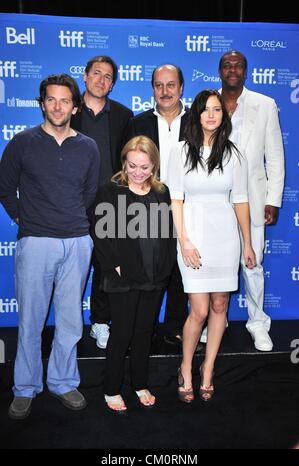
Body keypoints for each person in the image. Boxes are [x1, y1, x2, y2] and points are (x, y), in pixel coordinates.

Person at [0, 74, 100, 419]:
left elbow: (89, 195)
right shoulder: (22, 142)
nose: (58, 106)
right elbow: (5, 187)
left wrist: (74, 225)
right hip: (36, 242)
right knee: (31, 319)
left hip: (76, 241)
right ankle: (25, 387)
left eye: (64, 100)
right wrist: (26, 221)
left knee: (71, 319)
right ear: (42, 103)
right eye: (51, 100)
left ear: (74, 106)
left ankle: (62, 381)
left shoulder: (88, 146)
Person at [167, 89, 256, 403]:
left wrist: (247, 244)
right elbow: (175, 200)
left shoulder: (235, 153)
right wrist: (185, 240)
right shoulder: (180, 152)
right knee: (199, 310)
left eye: (217, 109)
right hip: (193, 234)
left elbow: (241, 200)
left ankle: (207, 369)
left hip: (225, 238)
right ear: (196, 114)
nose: (211, 115)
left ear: (224, 115)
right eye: (205, 109)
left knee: (220, 306)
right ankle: (186, 367)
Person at [200, 50, 285, 351]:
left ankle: (258, 323)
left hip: (252, 198)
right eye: (227, 65)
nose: (232, 69)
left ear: (246, 71)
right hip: (213, 201)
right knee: (212, 264)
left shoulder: (265, 105)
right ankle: (213, 323)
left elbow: (274, 156)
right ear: (219, 70)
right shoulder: (208, 105)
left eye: (238, 65)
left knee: (252, 263)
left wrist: (273, 200)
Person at [91, 136, 176, 414]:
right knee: (122, 333)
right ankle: (111, 389)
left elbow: (166, 235)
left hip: (154, 277)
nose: (138, 173)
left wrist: (165, 269)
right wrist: (115, 266)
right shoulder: (110, 190)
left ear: (154, 166)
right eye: (132, 166)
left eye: (145, 167)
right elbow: (101, 235)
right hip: (122, 277)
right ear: (124, 163)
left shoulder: (162, 192)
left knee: (144, 333)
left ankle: (140, 384)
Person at [71, 55, 133, 349]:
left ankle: (99, 322)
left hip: (110, 204)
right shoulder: (67, 111)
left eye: (108, 77)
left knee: (105, 266)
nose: (101, 80)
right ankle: (68, 326)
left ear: (113, 83)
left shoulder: (123, 115)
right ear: (84, 76)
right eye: (96, 74)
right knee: (71, 267)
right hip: (71, 203)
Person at [126, 64, 189, 346]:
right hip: (147, 205)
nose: (165, 91)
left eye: (170, 85)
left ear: (181, 87)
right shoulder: (137, 123)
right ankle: (145, 327)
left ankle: (175, 325)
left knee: (178, 269)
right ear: (152, 89)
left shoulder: (196, 121)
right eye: (159, 85)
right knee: (147, 268)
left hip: (187, 205)